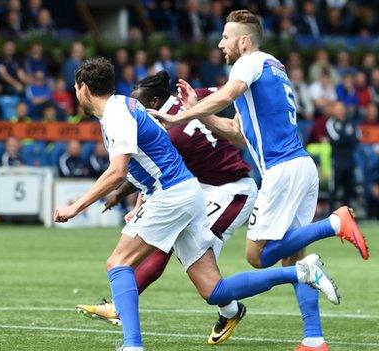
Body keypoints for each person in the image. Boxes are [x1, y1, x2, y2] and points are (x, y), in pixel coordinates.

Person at [55, 57, 340, 351]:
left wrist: (76, 206)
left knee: (118, 263)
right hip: (189, 193)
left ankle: (132, 345)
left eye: (76, 89)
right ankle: (301, 272)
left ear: (84, 89)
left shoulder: (116, 115)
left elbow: (117, 171)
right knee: (214, 290)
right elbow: (156, 153)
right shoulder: (126, 106)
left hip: (175, 194)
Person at [148, 11, 368, 351]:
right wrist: (202, 111)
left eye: (225, 37)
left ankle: (334, 222)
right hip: (301, 168)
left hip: (281, 172)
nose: (221, 44)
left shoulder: (249, 63)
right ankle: (314, 339)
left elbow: (225, 95)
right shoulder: (273, 68)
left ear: (244, 41)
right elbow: (238, 132)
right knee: (296, 259)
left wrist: (178, 116)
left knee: (256, 256)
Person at [77, 70, 258, 344]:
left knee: (194, 263)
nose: (139, 107)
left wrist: (132, 197)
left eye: (143, 103)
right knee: (174, 248)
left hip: (231, 191)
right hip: (201, 188)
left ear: (156, 99)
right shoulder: (191, 99)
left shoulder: (169, 129)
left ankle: (237, 305)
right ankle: (231, 308)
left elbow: (159, 168)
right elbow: (227, 92)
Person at [326, 102, 359, 211]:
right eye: (337, 109)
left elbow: (355, 139)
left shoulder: (351, 122)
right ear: (334, 111)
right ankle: (331, 215)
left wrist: (344, 138)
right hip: (337, 161)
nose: (340, 111)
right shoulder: (330, 123)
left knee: (348, 190)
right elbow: (335, 139)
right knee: (334, 189)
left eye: (341, 108)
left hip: (349, 160)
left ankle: (348, 217)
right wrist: (347, 138)